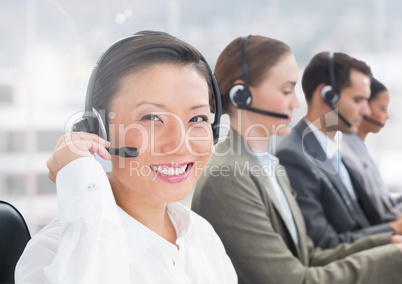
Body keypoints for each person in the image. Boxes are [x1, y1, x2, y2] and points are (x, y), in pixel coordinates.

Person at [15, 30, 237, 283]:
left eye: (197, 118)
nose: (179, 143)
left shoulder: (202, 236)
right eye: (152, 118)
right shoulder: (50, 255)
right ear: (99, 128)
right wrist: (80, 177)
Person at [191, 35, 402, 283]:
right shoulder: (228, 178)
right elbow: (293, 280)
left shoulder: (271, 167)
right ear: (242, 95)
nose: (296, 102)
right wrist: (395, 256)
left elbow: (309, 256)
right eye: (287, 90)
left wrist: (391, 243)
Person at [275, 52, 402, 249]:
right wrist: (393, 229)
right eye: (358, 100)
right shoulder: (293, 156)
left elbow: (363, 218)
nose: (366, 111)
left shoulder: (333, 149)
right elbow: (326, 243)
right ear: (326, 95)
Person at [342, 77, 402, 220]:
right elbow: (376, 212)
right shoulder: (346, 153)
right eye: (382, 109)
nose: (386, 116)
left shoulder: (359, 148)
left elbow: (385, 203)